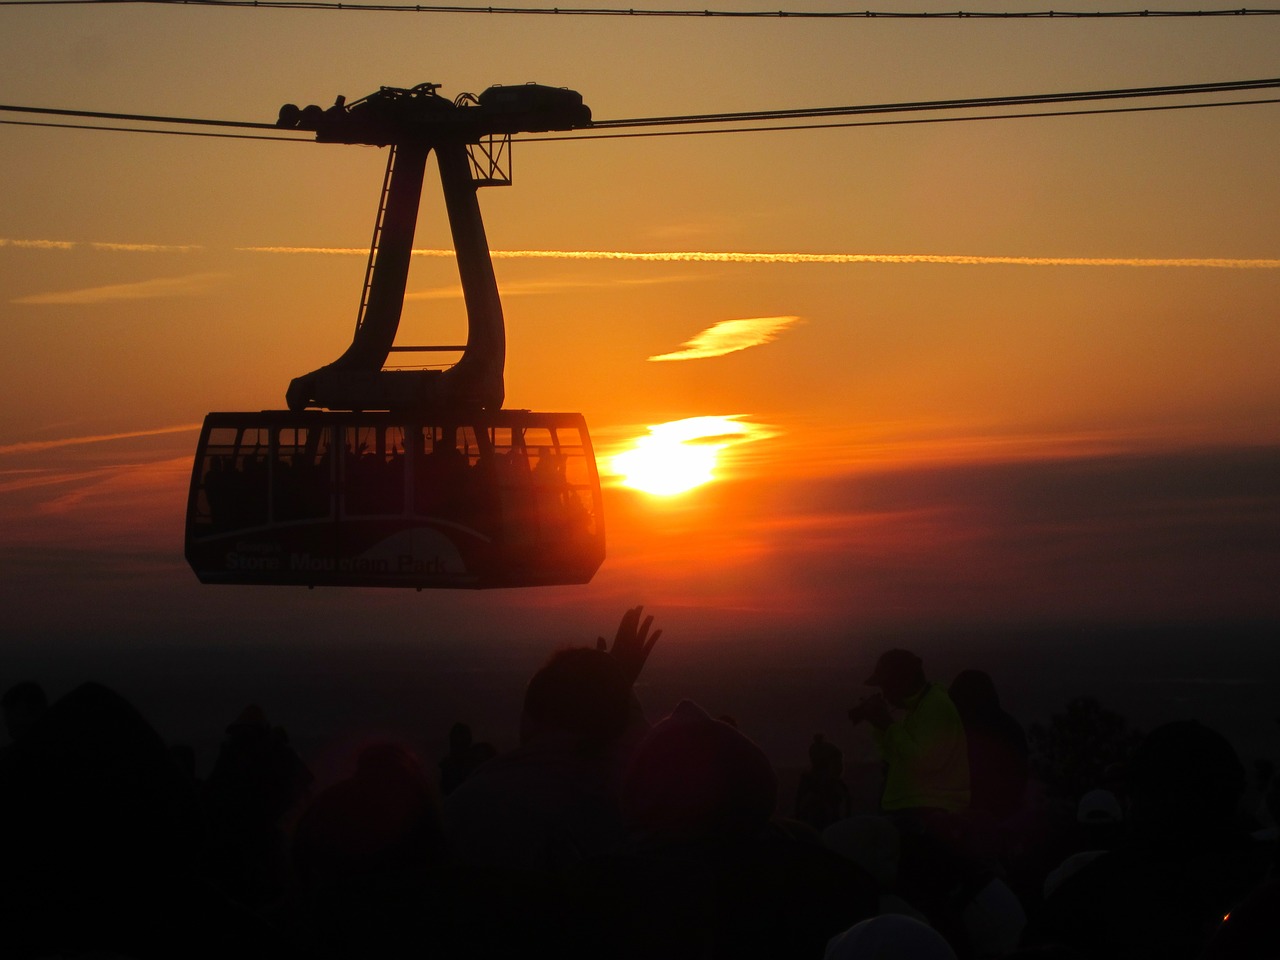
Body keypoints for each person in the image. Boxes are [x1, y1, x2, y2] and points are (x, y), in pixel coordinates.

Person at [849, 649, 970, 817]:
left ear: (902, 682)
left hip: (929, 814)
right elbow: (895, 757)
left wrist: (888, 724)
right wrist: (879, 727)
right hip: (917, 810)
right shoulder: (919, 707)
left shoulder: (935, 707)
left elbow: (924, 764)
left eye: (886, 685)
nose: (884, 693)